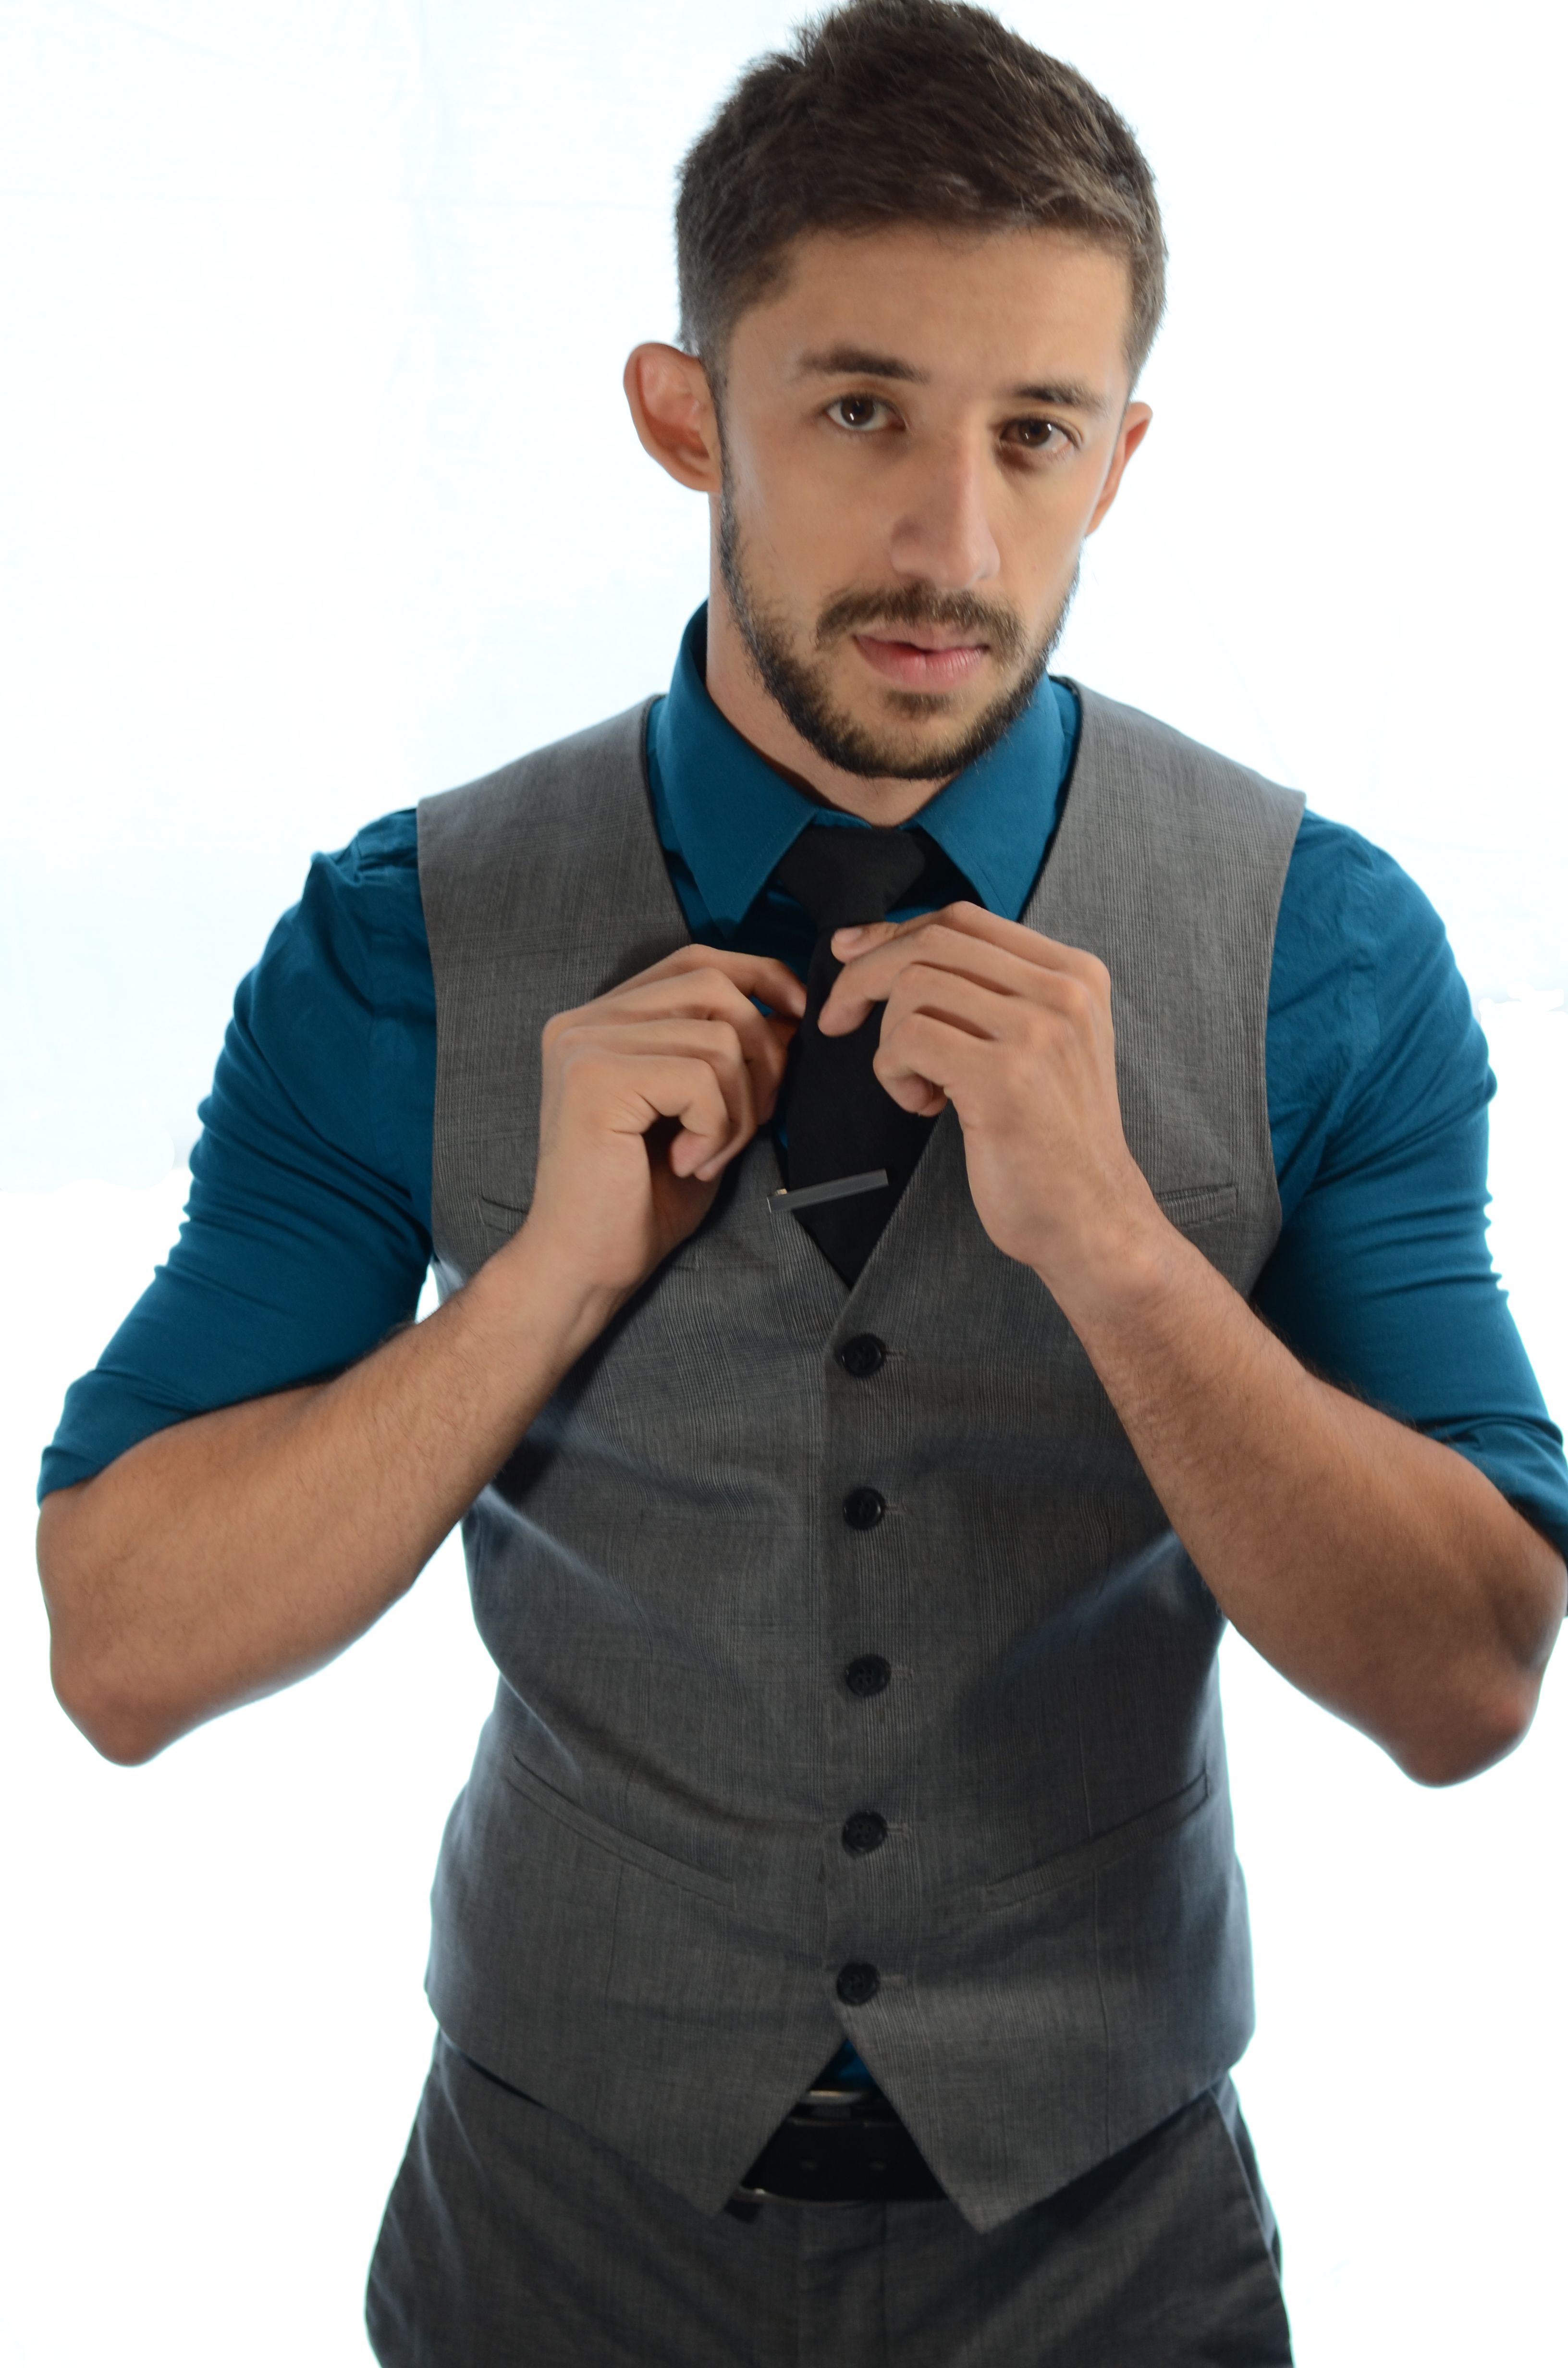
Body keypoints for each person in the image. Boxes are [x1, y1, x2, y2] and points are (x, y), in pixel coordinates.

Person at [36, 2, 1568, 2360]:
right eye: (861, 411)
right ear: (690, 416)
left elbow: (1469, 1677)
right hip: (552, 2231)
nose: (955, 540)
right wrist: (541, 1280)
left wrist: (1123, 1253)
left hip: (1114, 2251)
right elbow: (127, 1647)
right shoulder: (402, 939)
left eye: (1033, 431)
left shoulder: (1321, 950)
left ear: (1120, 455)